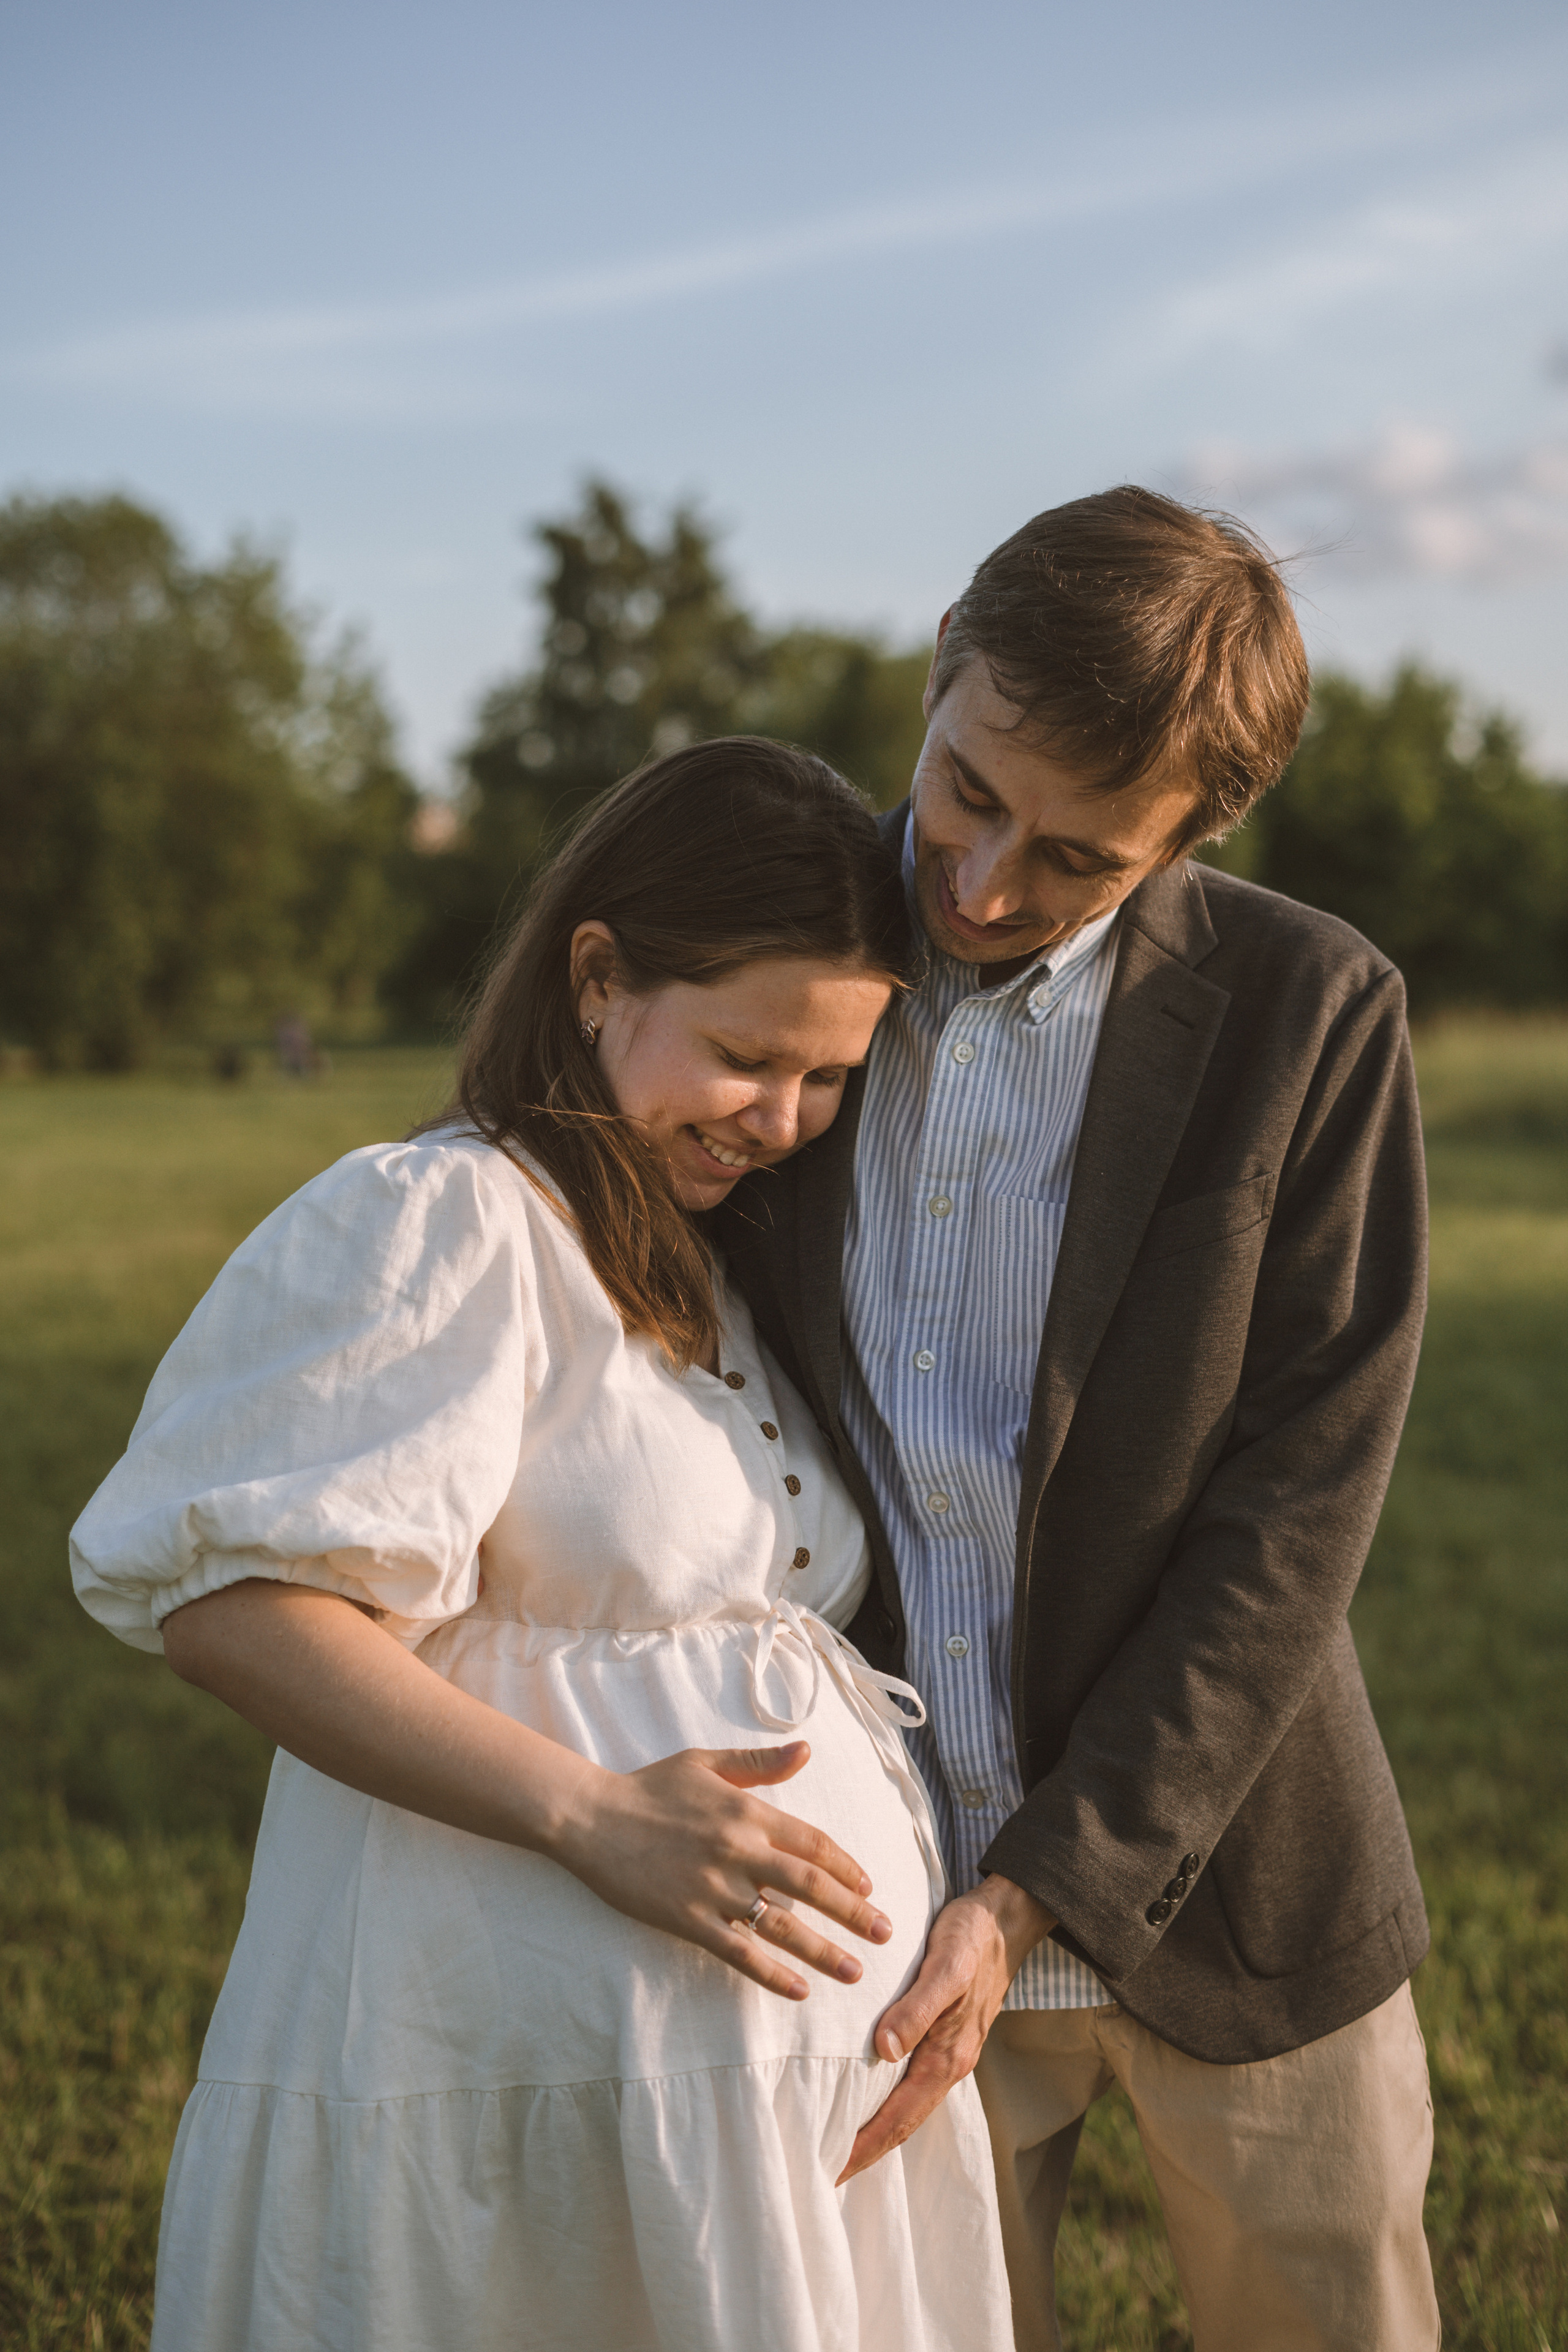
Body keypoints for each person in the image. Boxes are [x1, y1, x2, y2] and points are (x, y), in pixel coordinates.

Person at [70, 739, 1014, 2352]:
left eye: (830, 1075)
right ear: (597, 978)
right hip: (506, 2101)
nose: (783, 1120)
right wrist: (590, 1813)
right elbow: (236, 1604)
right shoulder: (447, 1221)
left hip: (735, 2120)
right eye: (743, 1055)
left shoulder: (702, 1260)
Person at [718, 489, 1442, 2351]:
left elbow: (1295, 1514)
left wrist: (1049, 1886)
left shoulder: (1313, 1013)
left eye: (1076, 859)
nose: (977, 887)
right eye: (965, 793)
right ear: (942, 667)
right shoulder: (776, 965)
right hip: (867, 1906)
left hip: (1242, 1877)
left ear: (1195, 836)